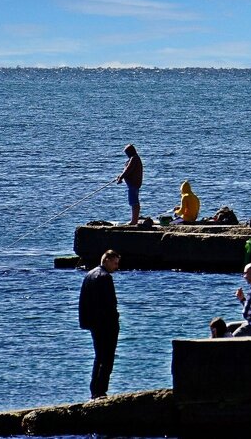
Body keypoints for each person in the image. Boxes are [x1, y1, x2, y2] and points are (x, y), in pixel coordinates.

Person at [78, 250, 121, 399]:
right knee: (107, 358)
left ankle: (94, 390)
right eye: (115, 263)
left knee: (99, 357)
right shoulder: (105, 277)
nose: (116, 267)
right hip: (106, 324)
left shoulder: (89, 275)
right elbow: (111, 304)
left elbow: (83, 301)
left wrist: (85, 322)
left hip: (93, 324)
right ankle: (101, 390)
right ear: (107, 260)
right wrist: (115, 322)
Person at [115, 144, 143, 225]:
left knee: (134, 202)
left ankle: (134, 221)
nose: (126, 155)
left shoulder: (134, 158)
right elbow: (127, 170)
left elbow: (128, 170)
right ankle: (134, 220)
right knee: (134, 202)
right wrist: (121, 176)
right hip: (133, 184)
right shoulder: (134, 158)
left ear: (130, 151)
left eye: (127, 152)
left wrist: (121, 177)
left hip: (133, 184)